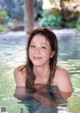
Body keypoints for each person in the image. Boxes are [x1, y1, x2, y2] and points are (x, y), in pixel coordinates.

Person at [14, 27, 73, 113]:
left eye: (43, 47)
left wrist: (37, 93)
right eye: (33, 46)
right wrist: (41, 94)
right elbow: (21, 98)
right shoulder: (21, 72)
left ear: (52, 53)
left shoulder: (61, 75)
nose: (36, 52)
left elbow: (63, 105)